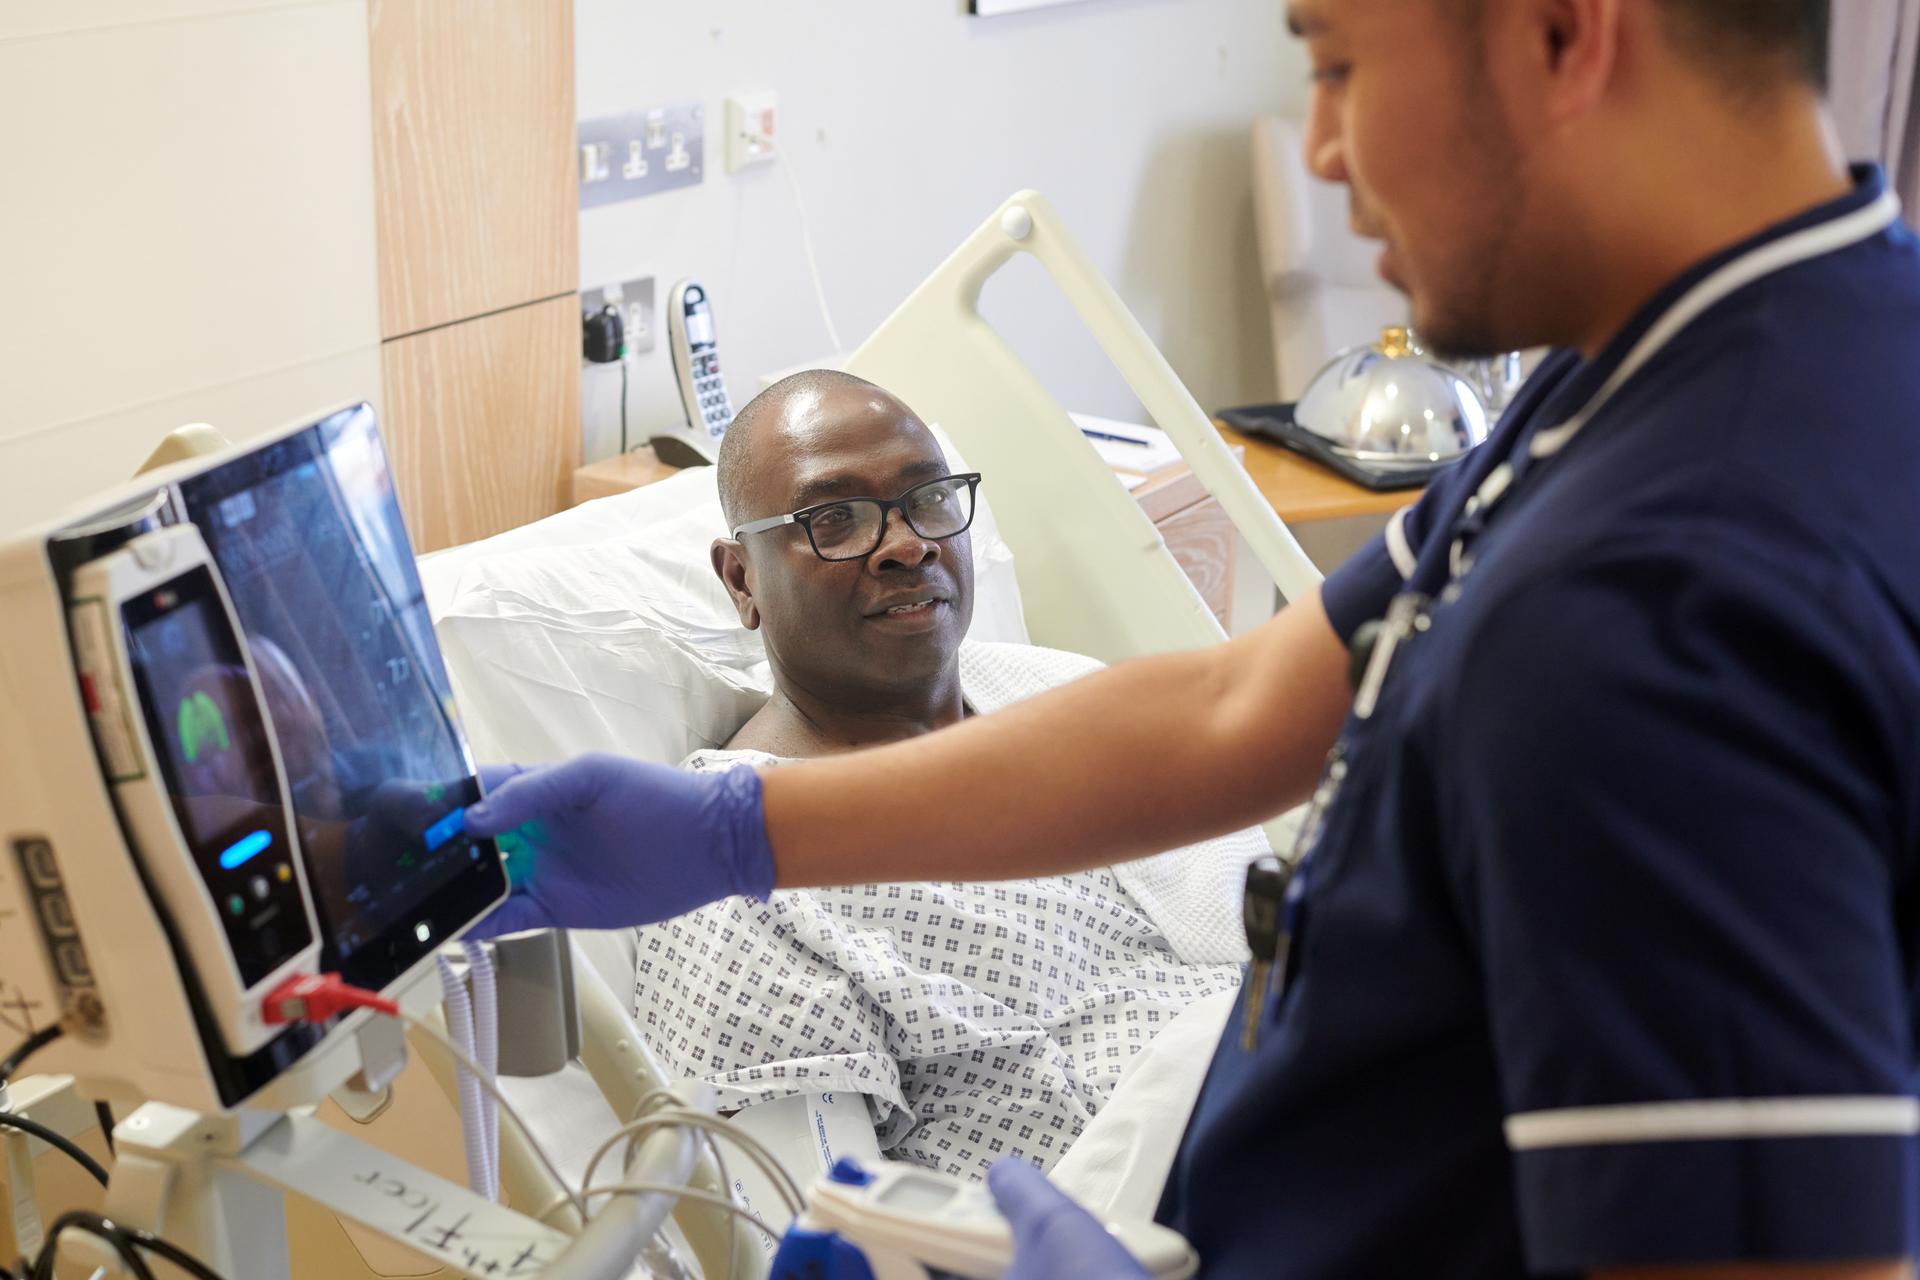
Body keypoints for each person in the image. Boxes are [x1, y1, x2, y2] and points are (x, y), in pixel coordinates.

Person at [466, 1, 1920, 1275]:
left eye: (1338, 62)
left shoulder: (1656, 607)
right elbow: (1237, 705)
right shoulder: (1699, 372)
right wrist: (745, 839)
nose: (1326, 147)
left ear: (1564, 29)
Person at [618, 369, 1260, 1177]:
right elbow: (814, 1218)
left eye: (928, 499)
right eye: (836, 518)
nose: (906, 543)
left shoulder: (1053, 698)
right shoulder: (736, 879)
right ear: (741, 578)